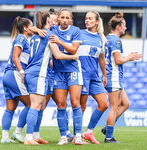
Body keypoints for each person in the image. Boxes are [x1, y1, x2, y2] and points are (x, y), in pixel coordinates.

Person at [23, 11, 79, 145]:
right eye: (51, 20)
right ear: (48, 21)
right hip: (38, 74)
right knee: (35, 106)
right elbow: (58, 55)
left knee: (40, 105)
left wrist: (35, 28)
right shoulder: (49, 35)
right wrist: (73, 57)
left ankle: (35, 136)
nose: (54, 22)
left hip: (30, 72)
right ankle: (28, 138)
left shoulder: (35, 35)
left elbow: (30, 28)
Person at [103, 11, 142, 143]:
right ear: (118, 27)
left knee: (126, 104)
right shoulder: (116, 40)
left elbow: (117, 59)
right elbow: (118, 61)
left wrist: (128, 57)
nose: (126, 27)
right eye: (124, 25)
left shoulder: (108, 38)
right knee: (114, 108)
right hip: (114, 77)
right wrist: (129, 58)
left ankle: (108, 126)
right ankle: (109, 137)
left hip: (113, 76)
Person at [49, 8, 84, 145]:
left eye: (67, 18)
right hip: (59, 72)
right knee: (61, 104)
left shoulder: (75, 31)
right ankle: (63, 136)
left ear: (71, 19)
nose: (64, 20)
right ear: (58, 18)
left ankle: (78, 136)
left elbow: (73, 50)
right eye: (62, 17)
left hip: (73, 70)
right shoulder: (53, 30)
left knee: (75, 103)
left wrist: (60, 41)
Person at [76, 11, 108, 144]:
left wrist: (104, 75)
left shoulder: (101, 39)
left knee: (104, 104)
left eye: (90, 19)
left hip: (94, 77)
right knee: (82, 107)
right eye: (86, 18)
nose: (87, 21)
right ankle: (76, 135)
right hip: (82, 76)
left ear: (96, 22)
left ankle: (88, 132)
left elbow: (101, 58)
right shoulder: (79, 34)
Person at [1, 16, 33, 143]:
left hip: (8, 75)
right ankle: (18, 132)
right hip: (14, 73)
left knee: (10, 108)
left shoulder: (23, 39)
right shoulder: (22, 38)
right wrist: (22, 72)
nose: (33, 28)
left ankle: (4, 138)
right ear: (25, 28)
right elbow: (15, 57)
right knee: (31, 104)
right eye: (31, 26)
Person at [46, 8, 74, 142]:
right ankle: (31, 133)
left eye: (54, 20)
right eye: (50, 20)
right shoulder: (48, 32)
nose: (53, 22)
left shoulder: (61, 31)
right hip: (48, 75)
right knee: (41, 104)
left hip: (57, 73)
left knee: (61, 103)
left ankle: (67, 132)